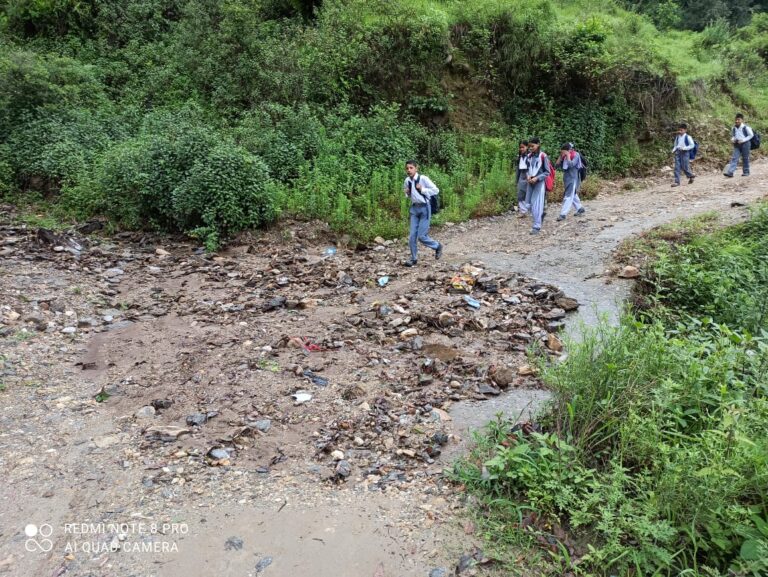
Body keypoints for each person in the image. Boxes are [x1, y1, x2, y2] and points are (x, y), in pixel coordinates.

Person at [403, 160, 443, 267]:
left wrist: (423, 189)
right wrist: (406, 193)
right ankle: (413, 258)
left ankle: (437, 246)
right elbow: (408, 194)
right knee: (412, 236)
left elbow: (436, 190)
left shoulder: (423, 179)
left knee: (421, 236)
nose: (409, 170)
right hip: (414, 209)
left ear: (416, 168)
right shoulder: (407, 180)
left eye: (411, 168)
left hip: (425, 208)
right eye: (407, 168)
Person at [524, 138, 551, 235]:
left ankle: (537, 226)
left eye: (533, 146)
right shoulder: (529, 156)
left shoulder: (543, 156)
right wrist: (527, 176)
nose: (531, 148)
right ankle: (541, 214)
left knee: (535, 204)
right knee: (528, 204)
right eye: (530, 146)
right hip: (530, 182)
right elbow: (526, 169)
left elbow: (547, 172)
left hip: (539, 183)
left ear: (538, 145)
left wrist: (537, 178)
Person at [555, 143, 586, 221]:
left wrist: (568, 155)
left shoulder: (576, 155)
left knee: (568, 196)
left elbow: (571, 165)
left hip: (573, 178)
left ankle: (563, 214)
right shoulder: (564, 156)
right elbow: (556, 166)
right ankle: (580, 208)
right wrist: (560, 156)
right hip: (566, 178)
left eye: (565, 151)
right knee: (573, 194)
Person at [724, 113, 754, 177]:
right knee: (734, 158)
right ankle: (730, 172)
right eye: (736, 119)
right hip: (737, 144)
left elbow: (751, 135)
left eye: (738, 119)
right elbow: (733, 136)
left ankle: (746, 172)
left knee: (745, 158)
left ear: (742, 120)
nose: (737, 121)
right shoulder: (734, 128)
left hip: (745, 144)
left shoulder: (746, 127)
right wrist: (733, 139)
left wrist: (743, 140)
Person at [671, 123, 695, 187]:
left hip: (685, 152)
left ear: (685, 130)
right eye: (679, 130)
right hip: (678, 152)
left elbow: (692, 145)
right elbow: (676, 145)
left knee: (685, 166)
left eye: (681, 130)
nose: (680, 131)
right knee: (677, 167)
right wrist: (673, 150)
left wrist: (684, 148)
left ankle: (691, 176)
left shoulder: (688, 137)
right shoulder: (677, 137)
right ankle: (677, 182)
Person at [515, 140, 530, 217]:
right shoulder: (519, 157)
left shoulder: (530, 156)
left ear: (527, 147)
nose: (521, 149)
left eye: (523, 147)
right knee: (520, 194)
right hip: (521, 176)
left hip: (529, 176)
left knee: (530, 194)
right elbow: (518, 170)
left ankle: (535, 210)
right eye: (520, 147)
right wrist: (516, 180)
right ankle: (523, 211)